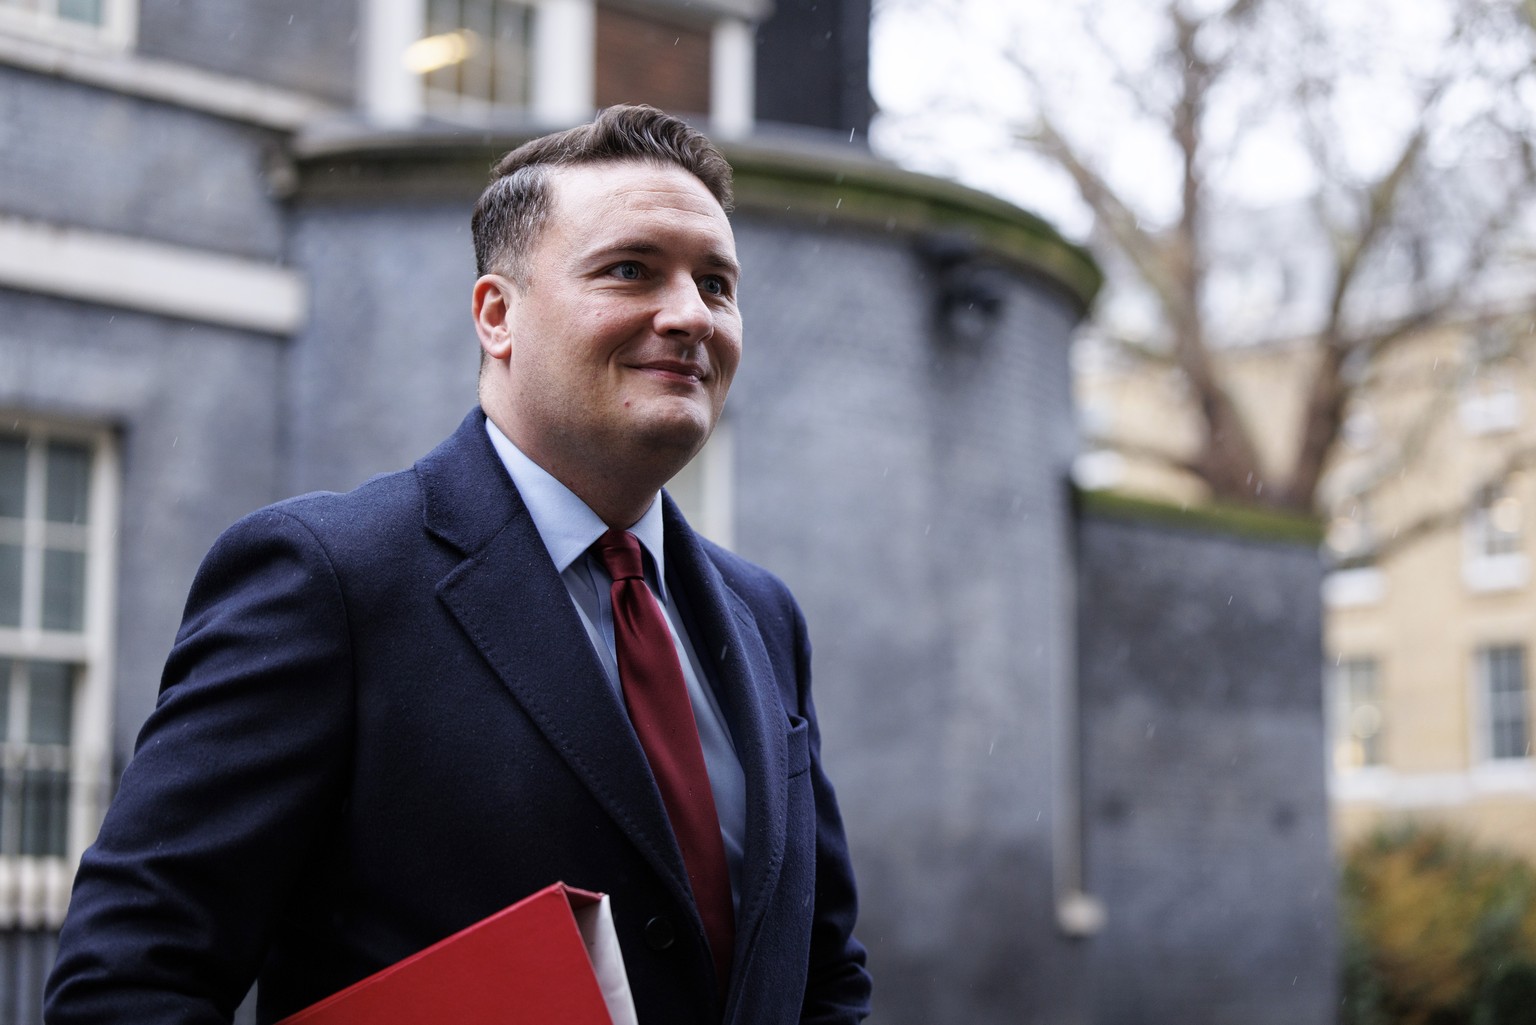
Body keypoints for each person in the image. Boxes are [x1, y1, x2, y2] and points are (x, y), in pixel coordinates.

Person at [44, 104, 871, 1025]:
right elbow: (126, 984)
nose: (689, 315)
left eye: (716, 284)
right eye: (631, 270)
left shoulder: (765, 617)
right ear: (497, 315)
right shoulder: (328, 579)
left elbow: (825, 977)